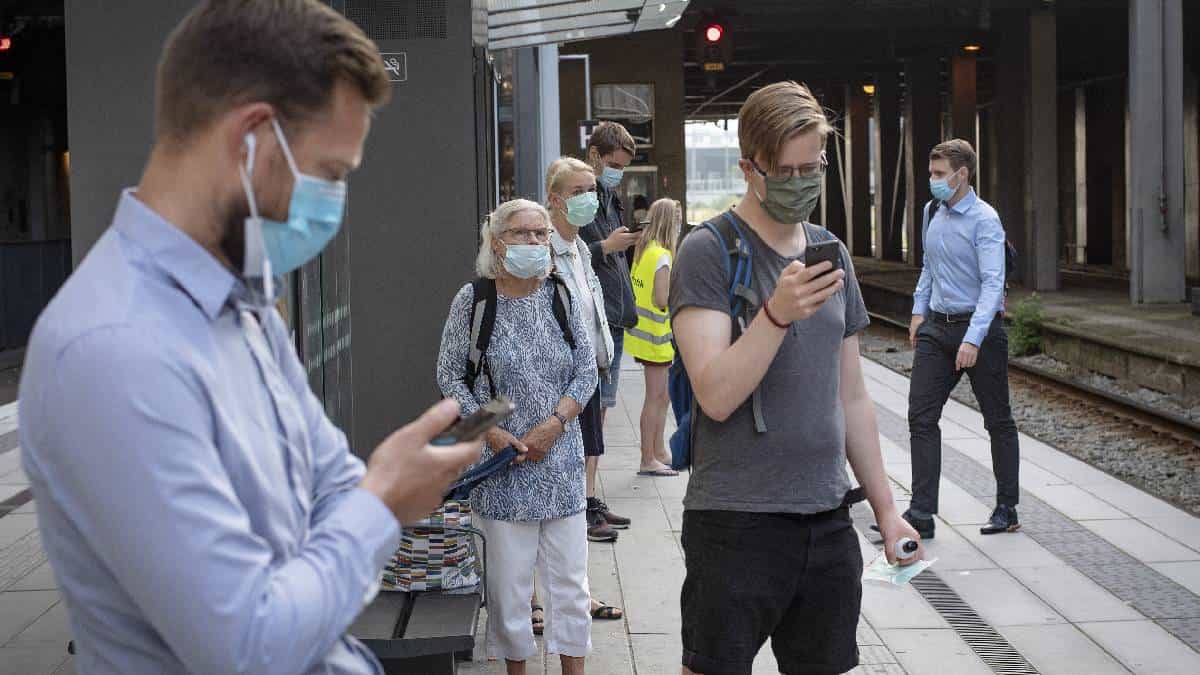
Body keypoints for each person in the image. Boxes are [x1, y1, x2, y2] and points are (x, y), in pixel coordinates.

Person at [17, 2, 481, 673]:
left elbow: (330, 483)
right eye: (330, 173)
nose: (334, 199)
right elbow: (253, 643)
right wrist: (380, 504)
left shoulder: (243, 301)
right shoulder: (111, 350)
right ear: (252, 137)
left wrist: (362, 504)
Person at [670, 81, 923, 675]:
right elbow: (716, 393)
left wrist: (886, 512)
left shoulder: (828, 250)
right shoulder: (708, 252)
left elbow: (853, 397)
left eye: (814, 167)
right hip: (736, 524)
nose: (803, 183)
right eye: (787, 172)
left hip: (827, 519)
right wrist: (776, 313)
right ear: (750, 169)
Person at [436, 199, 596, 675]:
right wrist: (492, 432)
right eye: (523, 234)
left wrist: (556, 422)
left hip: (561, 462)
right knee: (508, 590)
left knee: (571, 585)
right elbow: (450, 376)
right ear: (497, 242)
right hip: (501, 470)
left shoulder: (561, 294)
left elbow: (586, 370)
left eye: (542, 234)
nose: (534, 243)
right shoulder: (475, 300)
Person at [908, 138, 1020, 539]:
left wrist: (973, 339)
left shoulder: (985, 220)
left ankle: (1007, 507)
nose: (933, 181)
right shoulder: (930, 211)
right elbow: (928, 266)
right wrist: (919, 310)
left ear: (962, 175)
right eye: (931, 173)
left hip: (980, 331)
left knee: (998, 420)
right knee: (921, 416)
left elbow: (994, 284)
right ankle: (921, 513)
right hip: (937, 328)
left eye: (939, 174)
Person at [542, 157, 625, 624]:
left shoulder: (581, 250)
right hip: (558, 392)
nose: (589, 199)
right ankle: (542, 599)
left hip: (587, 382)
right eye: (578, 191)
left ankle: (573, 594)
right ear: (555, 199)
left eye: (591, 189)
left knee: (572, 496)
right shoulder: (544, 250)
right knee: (550, 498)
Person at [578, 121, 640, 538]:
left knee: (599, 414)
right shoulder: (583, 195)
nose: (617, 171)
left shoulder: (608, 196)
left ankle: (589, 498)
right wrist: (608, 247)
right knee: (591, 415)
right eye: (614, 163)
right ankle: (582, 503)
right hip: (598, 318)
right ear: (596, 155)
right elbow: (570, 246)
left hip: (613, 316)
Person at [626, 198, 683, 476]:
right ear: (668, 222)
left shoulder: (644, 249)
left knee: (662, 397)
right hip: (656, 339)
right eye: (678, 219)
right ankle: (648, 458)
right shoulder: (662, 255)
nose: (680, 225)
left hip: (643, 336)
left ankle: (658, 452)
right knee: (656, 397)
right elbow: (661, 299)